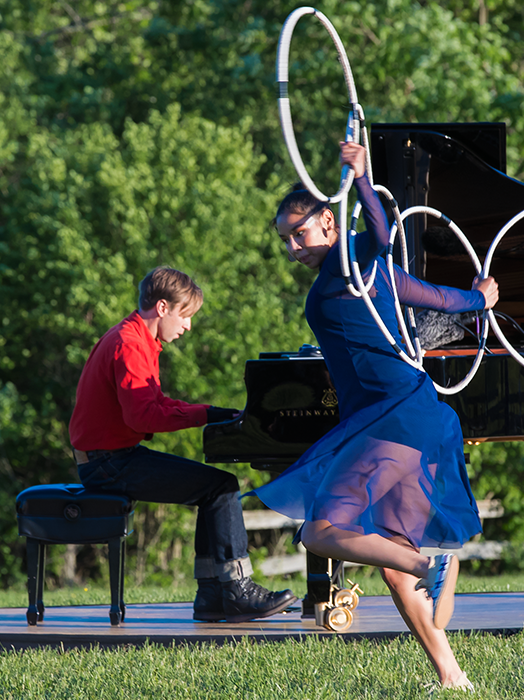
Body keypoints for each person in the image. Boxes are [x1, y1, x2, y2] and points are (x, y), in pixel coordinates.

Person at [253, 142, 499, 691]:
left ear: (328, 220)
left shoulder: (352, 262)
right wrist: (479, 299)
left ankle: (432, 567)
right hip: (412, 415)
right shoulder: (375, 274)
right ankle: (452, 677)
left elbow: (383, 235)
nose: (293, 248)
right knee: (392, 561)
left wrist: (361, 178)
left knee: (321, 531)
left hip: (393, 418)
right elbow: (439, 297)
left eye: (300, 234)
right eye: (285, 239)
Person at [69, 266, 297, 623]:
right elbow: (144, 418)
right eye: (185, 315)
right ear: (163, 307)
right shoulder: (130, 345)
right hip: (108, 464)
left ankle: (212, 595)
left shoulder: (136, 338)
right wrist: (205, 416)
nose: (188, 326)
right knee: (221, 487)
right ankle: (236, 590)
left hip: (109, 458)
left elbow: (156, 404)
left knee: (215, 488)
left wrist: (212, 413)